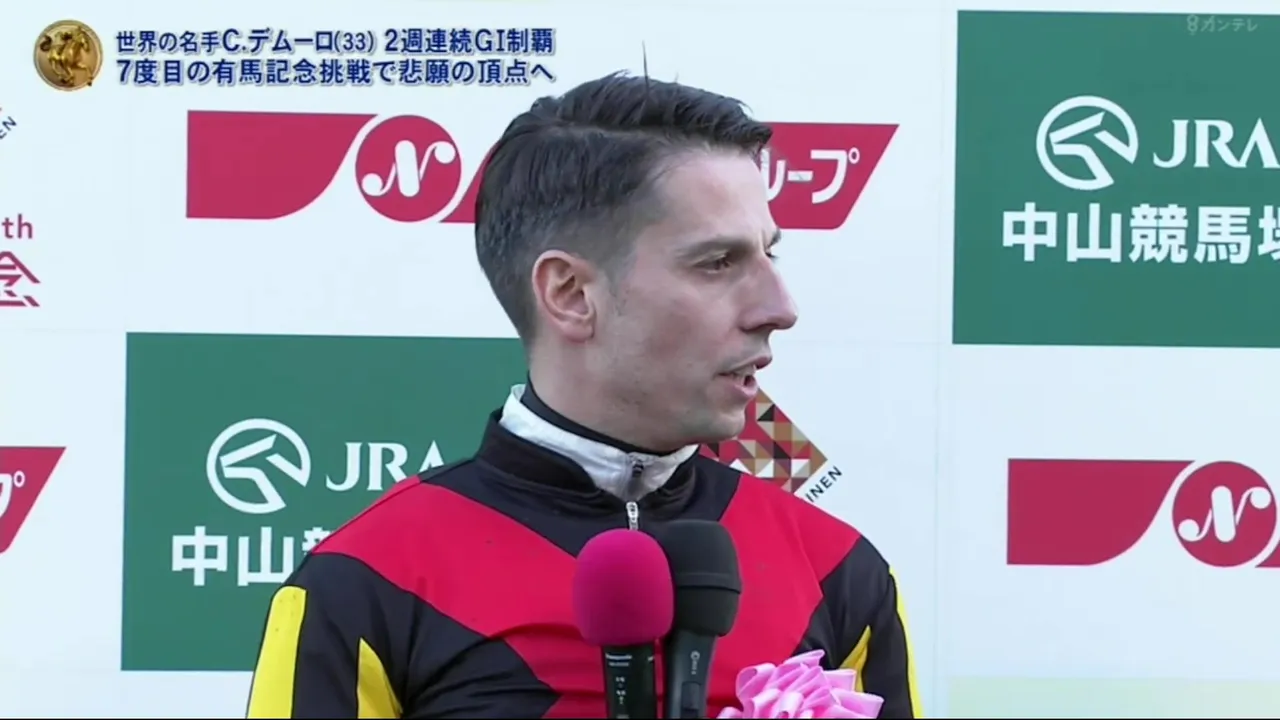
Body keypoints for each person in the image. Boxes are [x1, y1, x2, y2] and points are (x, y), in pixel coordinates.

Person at [245, 71, 921, 719]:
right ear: (570, 294)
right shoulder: (368, 577)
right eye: (718, 263)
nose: (779, 308)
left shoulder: (837, 570)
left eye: (771, 254)